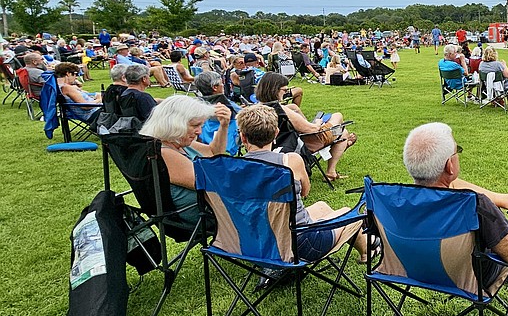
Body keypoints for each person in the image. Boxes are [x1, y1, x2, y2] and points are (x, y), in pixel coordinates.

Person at [236, 104, 371, 263]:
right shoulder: (290, 161)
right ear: (276, 134)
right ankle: (368, 252)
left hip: (255, 244)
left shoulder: (232, 169)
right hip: (299, 246)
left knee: (322, 206)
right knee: (349, 213)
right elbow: (305, 191)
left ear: (243, 137)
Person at [403, 123, 508, 260]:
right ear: (450, 165)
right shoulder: (476, 205)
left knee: (446, 182)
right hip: (466, 275)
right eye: (457, 151)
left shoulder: (397, 203)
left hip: (414, 271)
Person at [139, 94, 232, 226]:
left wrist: (224, 126)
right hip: (200, 213)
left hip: (207, 207)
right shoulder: (165, 153)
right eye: (195, 125)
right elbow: (210, 182)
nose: (199, 132)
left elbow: (214, 153)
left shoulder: (176, 143)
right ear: (175, 123)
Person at [254, 72, 357, 182]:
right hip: (304, 141)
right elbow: (312, 129)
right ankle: (331, 171)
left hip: (276, 144)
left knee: (343, 133)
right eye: (284, 90)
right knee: (339, 119)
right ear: (275, 90)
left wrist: (296, 110)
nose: (286, 93)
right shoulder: (282, 110)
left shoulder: (257, 109)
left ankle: (331, 172)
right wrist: (318, 122)